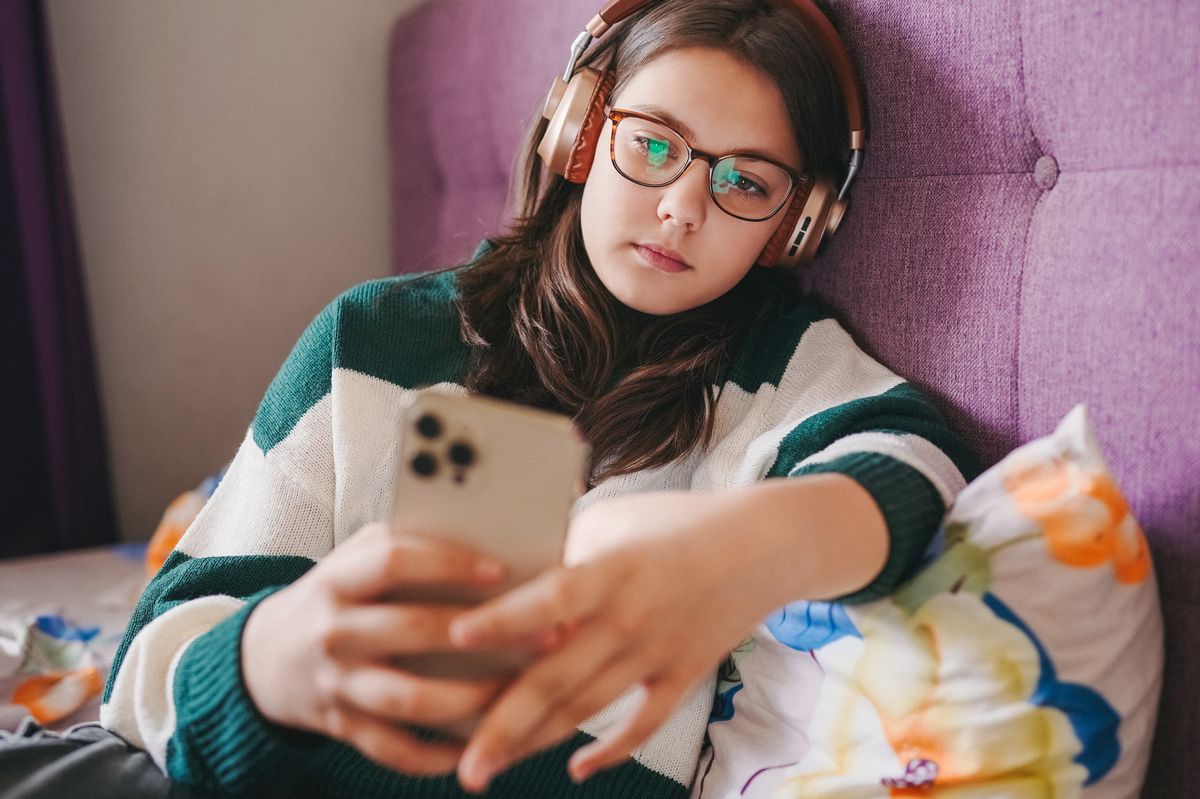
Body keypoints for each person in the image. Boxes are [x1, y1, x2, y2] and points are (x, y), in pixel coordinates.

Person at [8, 1, 979, 797]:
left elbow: (915, 459)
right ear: (581, 130)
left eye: (745, 182)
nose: (683, 206)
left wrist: (733, 552)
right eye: (654, 144)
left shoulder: (780, 371)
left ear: (796, 224)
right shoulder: (374, 338)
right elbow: (150, 671)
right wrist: (269, 661)